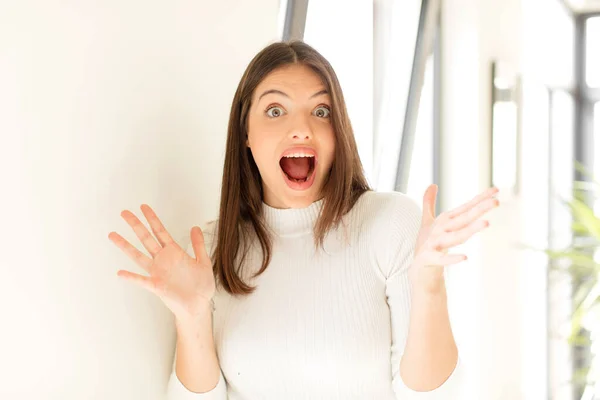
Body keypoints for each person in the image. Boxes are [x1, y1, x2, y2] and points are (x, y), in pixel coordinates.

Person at [108, 40, 499, 399]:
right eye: (275, 110)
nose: (301, 128)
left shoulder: (390, 224)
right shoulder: (213, 252)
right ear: (245, 131)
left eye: (321, 110)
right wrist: (191, 316)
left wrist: (428, 284)